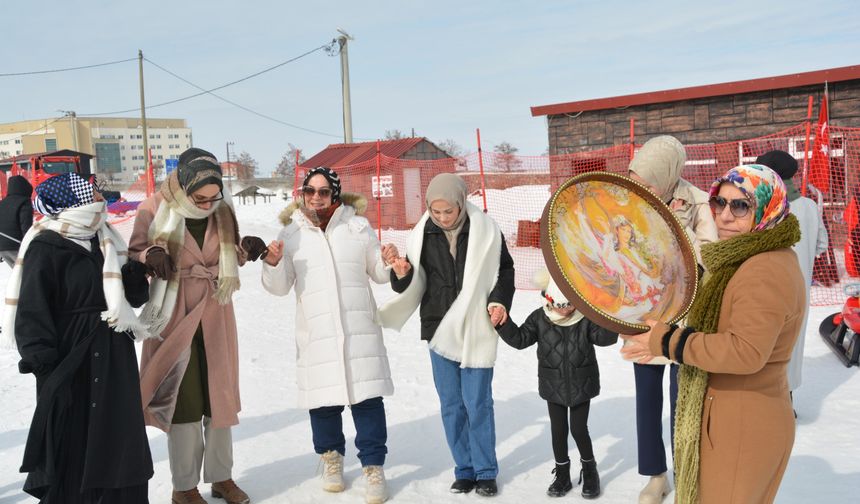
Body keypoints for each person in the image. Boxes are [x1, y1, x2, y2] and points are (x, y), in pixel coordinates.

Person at [620, 164, 805, 503]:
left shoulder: (762, 270)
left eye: (741, 205)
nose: (724, 216)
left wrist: (668, 341)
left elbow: (745, 351)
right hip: (736, 416)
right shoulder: (746, 259)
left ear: (768, 208)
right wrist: (661, 345)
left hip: (743, 425)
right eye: (719, 203)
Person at [2, 173, 153, 503]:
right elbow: (33, 309)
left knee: (117, 437)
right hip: (70, 358)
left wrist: (135, 276)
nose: (100, 198)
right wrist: (44, 364)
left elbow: (132, 300)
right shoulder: (45, 245)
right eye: (93, 193)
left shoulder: (107, 239)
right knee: (73, 437)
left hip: (114, 353)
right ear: (74, 203)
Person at [129, 148, 263, 504]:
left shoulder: (223, 210)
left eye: (213, 197)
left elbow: (229, 254)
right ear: (184, 185)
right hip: (174, 312)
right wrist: (149, 256)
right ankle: (184, 487)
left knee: (219, 397)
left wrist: (246, 249)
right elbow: (135, 251)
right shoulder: (154, 208)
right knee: (184, 400)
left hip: (216, 311)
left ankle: (222, 478)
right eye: (199, 198)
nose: (207, 204)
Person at [260, 166, 395, 504]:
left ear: (335, 194)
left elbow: (377, 272)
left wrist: (389, 261)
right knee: (323, 403)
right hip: (317, 333)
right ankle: (331, 460)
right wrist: (273, 263)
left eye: (323, 191)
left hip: (358, 330)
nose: (316, 198)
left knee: (367, 400)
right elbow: (278, 288)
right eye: (310, 191)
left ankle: (373, 467)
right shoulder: (291, 234)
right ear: (302, 194)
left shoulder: (357, 226)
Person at [377, 172, 515, 497]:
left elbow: (504, 269)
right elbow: (408, 280)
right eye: (435, 211)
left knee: (477, 402)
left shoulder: (485, 230)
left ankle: (485, 471)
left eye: (447, 212)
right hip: (439, 326)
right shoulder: (422, 233)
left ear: (460, 203)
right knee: (452, 403)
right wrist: (400, 271)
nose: (441, 218)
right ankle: (464, 469)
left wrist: (498, 301)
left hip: (476, 325)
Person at [625, 135, 718, 503]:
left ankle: (686, 471)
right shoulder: (628, 200)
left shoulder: (696, 202)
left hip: (684, 319)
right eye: (634, 179)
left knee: (683, 401)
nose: (638, 188)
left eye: (645, 182)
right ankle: (655, 476)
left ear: (666, 176)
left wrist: (676, 233)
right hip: (644, 316)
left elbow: (710, 254)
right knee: (647, 400)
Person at [497, 271, 617, 499]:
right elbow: (521, 339)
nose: (566, 310)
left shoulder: (585, 318)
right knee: (558, 430)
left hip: (582, 382)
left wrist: (609, 315)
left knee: (579, 429)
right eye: (560, 305)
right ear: (549, 299)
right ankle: (562, 473)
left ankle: (590, 471)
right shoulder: (539, 318)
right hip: (553, 384)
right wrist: (503, 325)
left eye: (570, 304)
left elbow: (605, 339)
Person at [756, 150, 828, 404]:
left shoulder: (768, 207)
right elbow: (821, 246)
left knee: (768, 344)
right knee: (793, 346)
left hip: (769, 287)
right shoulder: (809, 205)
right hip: (800, 289)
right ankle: (787, 399)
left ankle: (769, 402)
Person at [0, 175, 34, 268]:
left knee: (18, 273)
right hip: (16, 245)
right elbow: (26, 225)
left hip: (2, 247)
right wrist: (28, 243)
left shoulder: (2, 203)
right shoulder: (24, 202)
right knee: (27, 272)